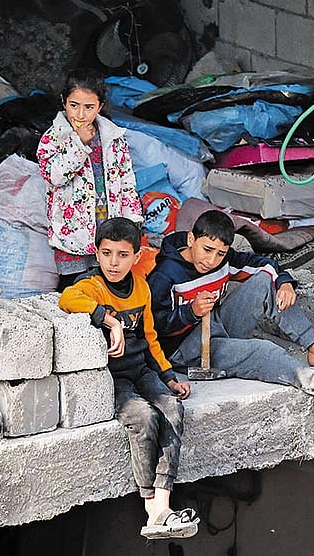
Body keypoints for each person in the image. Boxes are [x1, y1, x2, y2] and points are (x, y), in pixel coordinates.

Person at [147, 210, 314, 412]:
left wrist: (283, 282)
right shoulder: (166, 274)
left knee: (265, 280)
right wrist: (190, 312)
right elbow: (153, 328)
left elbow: (264, 265)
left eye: (220, 253)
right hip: (185, 349)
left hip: (215, 325)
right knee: (262, 350)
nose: (211, 260)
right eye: (207, 249)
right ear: (191, 239)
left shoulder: (224, 260)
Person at [60, 217, 199, 540]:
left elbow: (150, 338)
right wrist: (110, 321)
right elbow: (67, 298)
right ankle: (152, 507)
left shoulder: (141, 287)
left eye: (123, 255)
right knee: (143, 417)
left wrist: (168, 377)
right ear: (96, 253)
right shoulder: (92, 285)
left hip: (141, 370)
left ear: (136, 256)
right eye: (107, 253)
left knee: (172, 408)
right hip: (114, 377)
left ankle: (163, 502)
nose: (114, 262)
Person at [37, 69, 143, 290]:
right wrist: (78, 143)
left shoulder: (113, 136)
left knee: (108, 289)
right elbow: (55, 177)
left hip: (109, 231)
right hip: (72, 235)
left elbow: (126, 181)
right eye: (74, 105)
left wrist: (132, 222)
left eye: (89, 107)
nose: (80, 114)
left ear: (100, 106)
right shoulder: (53, 138)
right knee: (74, 291)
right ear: (63, 102)